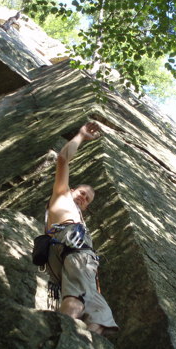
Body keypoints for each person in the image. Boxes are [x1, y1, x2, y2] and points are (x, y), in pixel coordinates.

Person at [45, 122, 118, 335]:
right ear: (73, 189)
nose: (84, 198)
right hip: (70, 243)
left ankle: (81, 346)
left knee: (101, 315)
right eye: (82, 193)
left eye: (87, 199)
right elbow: (62, 159)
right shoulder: (62, 195)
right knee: (77, 296)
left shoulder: (80, 218)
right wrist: (81, 136)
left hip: (79, 254)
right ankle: (58, 339)